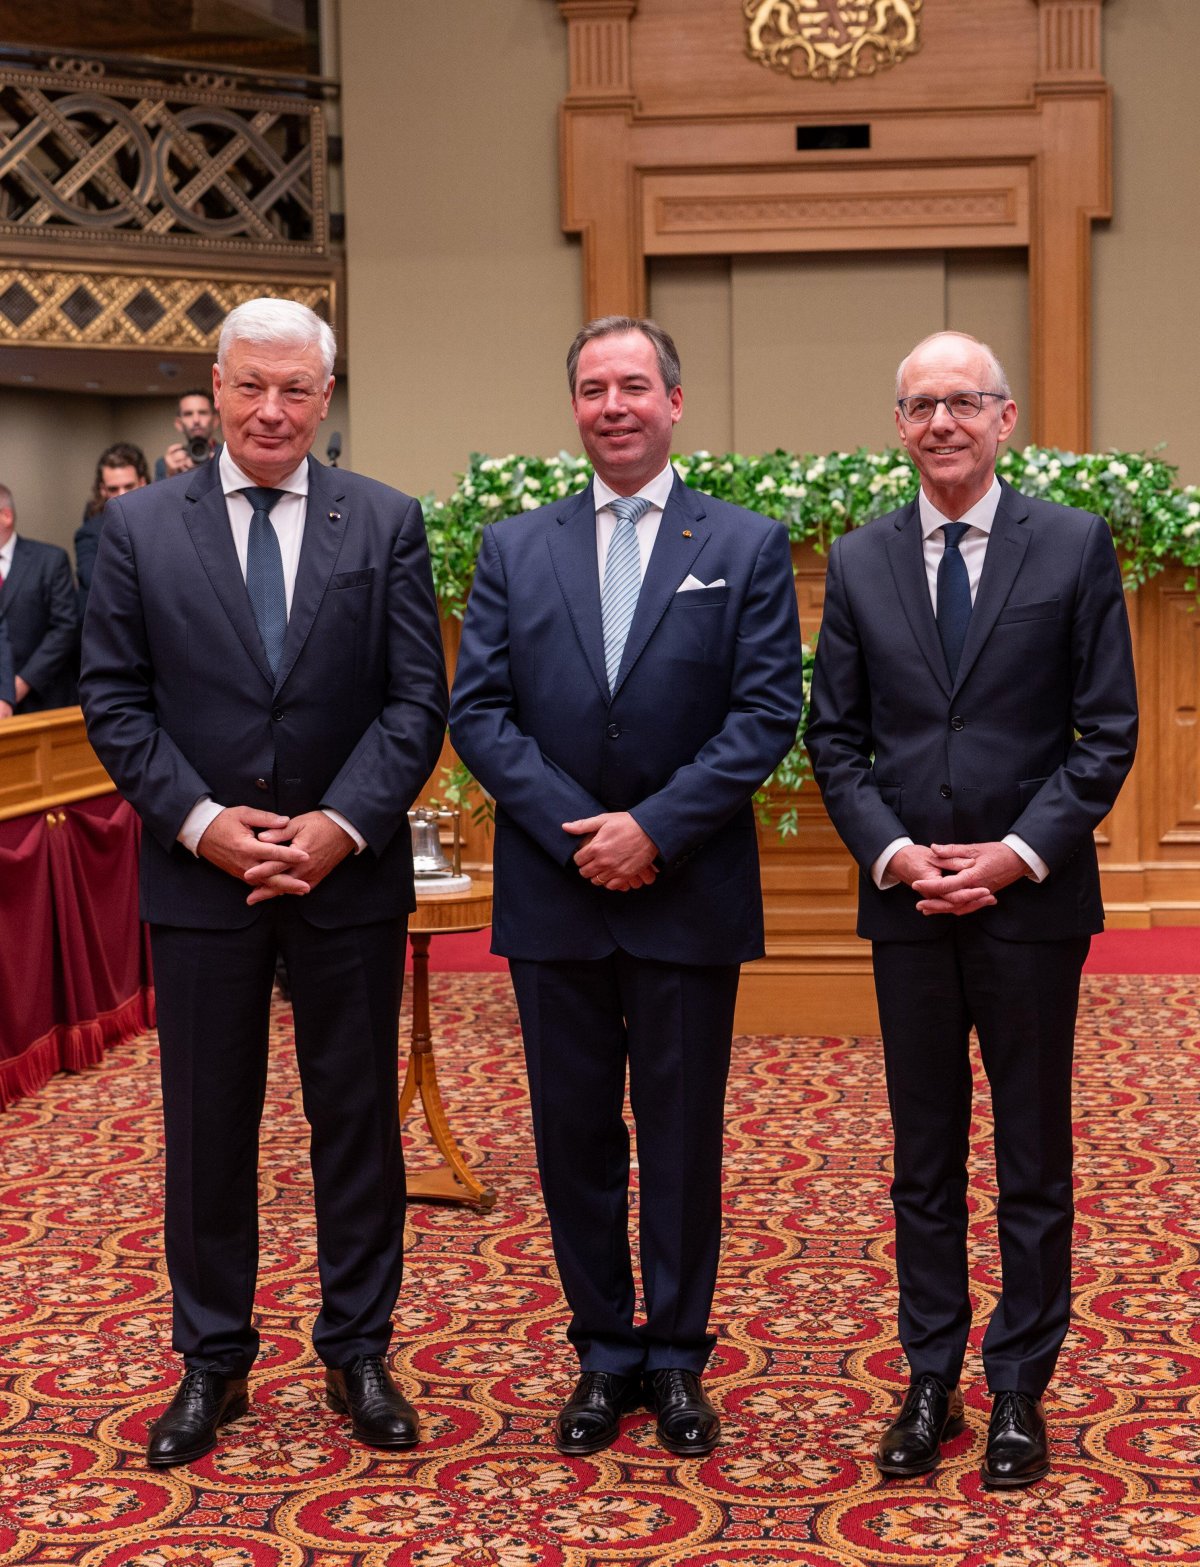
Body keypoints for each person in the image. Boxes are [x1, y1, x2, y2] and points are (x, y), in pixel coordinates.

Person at [80, 297, 448, 1467]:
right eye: (252, 386)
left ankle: (359, 1351)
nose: (273, 409)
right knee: (207, 1126)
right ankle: (213, 1361)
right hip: (202, 883)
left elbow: (413, 701)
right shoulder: (139, 531)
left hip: (346, 879)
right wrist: (201, 822)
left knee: (355, 1126)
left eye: (296, 389)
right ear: (219, 388)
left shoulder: (384, 520)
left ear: (325, 398)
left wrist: (340, 824)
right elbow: (115, 700)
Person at [449, 316, 805, 1458]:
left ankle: (680, 1356)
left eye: (635, 386)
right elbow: (480, 712)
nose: (614, 405)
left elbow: (763, 713)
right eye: (594, 388)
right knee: (572, 1136)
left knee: (683, 1130)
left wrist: (651, 830)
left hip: (685, 889)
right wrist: (578, 835)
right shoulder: (514, 546)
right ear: (575, 407)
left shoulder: (744, 545)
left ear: (676, 402)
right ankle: (604, 1349)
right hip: (557, 896)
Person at [804, 331, 1138, 1488]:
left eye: (963, 402)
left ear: (1005, 420)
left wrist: (1009, 856)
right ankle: (930, 1377)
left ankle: (1018, 1389)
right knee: (923, 1157)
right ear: (898, 427)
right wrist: (898, 856)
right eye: (919, 406)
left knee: (1034, 1153)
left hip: (1030, 908)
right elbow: (834, 739)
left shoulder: (1073, 545)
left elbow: (1108, 733)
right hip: (909, 909)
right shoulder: (858, 559)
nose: (941, 422)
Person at [0, 483, 80, 712]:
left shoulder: (49, 560)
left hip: (44, 700)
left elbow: (65, 628)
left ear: (6, 516)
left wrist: (17, 686)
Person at [75, 443, 151, 616]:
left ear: (142, 482)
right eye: (113, 489)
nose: (122, 495)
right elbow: (96, 582)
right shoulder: (89, 534)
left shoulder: (162, 523)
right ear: (103, 490)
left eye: (129, 486)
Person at [155, 388, 220, 479]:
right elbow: (158, 493)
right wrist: (171, 476)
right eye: (188, 414)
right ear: (179, 424)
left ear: (215, 421)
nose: (196, 420)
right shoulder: (165, 464)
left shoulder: (230, 458)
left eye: (202, 413)